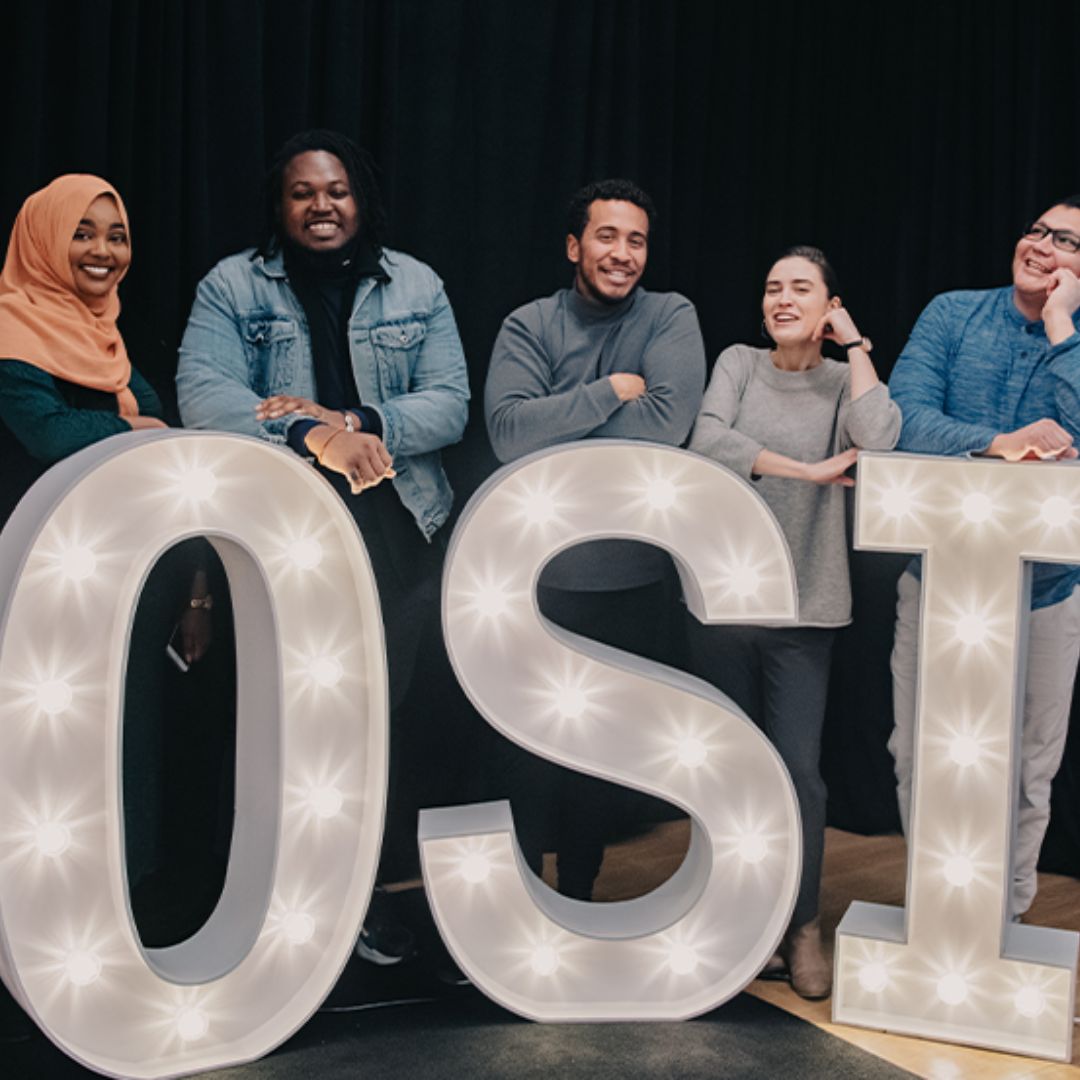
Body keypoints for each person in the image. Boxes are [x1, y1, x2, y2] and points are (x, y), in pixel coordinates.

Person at [176, 129, 470, 964]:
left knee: (374, 726)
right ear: (281, 204)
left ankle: (358, 903)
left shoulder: (416, 284)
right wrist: (311, 433)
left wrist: (362, 424)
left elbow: (449, 402)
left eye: (336, 190)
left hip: (396, 536)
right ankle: (261, 906)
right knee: (281, 719)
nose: (321, 205)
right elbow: (206, 395)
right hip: (281, 532)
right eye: (303, 192)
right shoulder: (232, 286)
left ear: (360, 198)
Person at [686, 246, 901, 998]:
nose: (781, 298)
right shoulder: (739, 364)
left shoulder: (846, 380)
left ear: (828, 304)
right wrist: (806, 470)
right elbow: (707, 440)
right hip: (724, 603)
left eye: (800, 288)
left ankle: (801, 923)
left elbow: (881, 436)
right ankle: (737, 918)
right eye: (772, 287)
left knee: (799, 778)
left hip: (807, 607)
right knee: (727, 770)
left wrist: (857, 343)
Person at [484, 178, 706, 900]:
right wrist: (610, 391)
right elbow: (510, 435)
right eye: (607, 237)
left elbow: (668, 425)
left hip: (630, 579)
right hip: (536, 577)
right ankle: (520, 899)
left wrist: (560, 419)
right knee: (526, 752)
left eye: (636, 240)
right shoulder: (529, 324)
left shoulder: (672, 315)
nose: (622, 254)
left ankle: (577, 894)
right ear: (575, 245)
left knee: (602, 755)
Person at [0, 174, 216, 895]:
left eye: (116, 234)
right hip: (36, 581)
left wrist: (193, 593)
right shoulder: (11, 326)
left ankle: (110, 902)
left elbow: (170, 446)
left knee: (116, 746)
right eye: (82, 232)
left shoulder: (107, 338)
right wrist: (131, 428)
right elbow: (48, 432)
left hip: (116, 582)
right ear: (41, 240)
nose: (102, 250)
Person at [888, 197, 1080, 920]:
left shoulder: (1077, 335)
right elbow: (903, 418)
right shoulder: (953, 314)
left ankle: (1007, 919)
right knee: (917, 753)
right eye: (1037, 230)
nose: (1041, 245)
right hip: (938, 583)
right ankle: (937, 914)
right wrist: (1002, 444)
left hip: (1050, 596)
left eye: (1065, 241)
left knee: (1029, 768)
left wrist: (1064, 329)